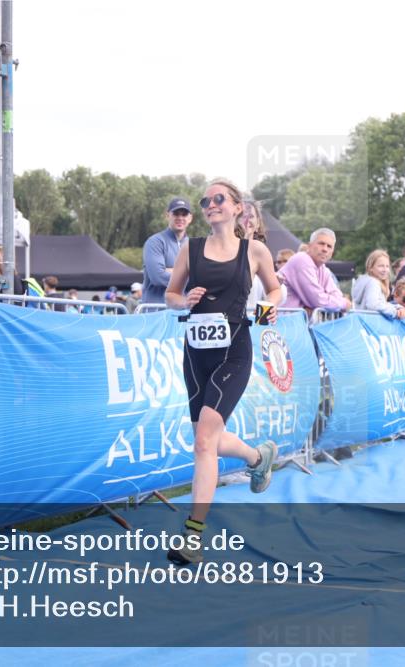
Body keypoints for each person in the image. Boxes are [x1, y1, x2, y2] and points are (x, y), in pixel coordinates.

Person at [164, 179, 282, 565]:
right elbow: (170, 295)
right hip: (196, 354)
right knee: (209, 440)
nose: (211, 204)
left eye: (219, 199)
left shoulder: (254, 250)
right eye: (206, 200)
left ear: (236, 208)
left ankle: (193, 537)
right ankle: (256, 458)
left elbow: (276, 290)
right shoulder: (190, 248)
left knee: (202, 441)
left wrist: (267, 306)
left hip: (234, 352)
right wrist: (184, 299)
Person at [278, 228, 350, 314]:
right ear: (310, 246)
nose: (325, 249)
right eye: (321, 244)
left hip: (296, 322)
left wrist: (316, 305)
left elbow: (336, 295)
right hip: (284, 322)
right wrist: (344, 303)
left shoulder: (323, 269)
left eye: (329, 246)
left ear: (332, 252)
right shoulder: (302, 260)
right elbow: (318, 300)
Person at [352, 250, 405, 335]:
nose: (385, 270)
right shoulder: (373, 282)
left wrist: (396, 307)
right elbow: (372, 304)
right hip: (368, 329)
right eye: (381, 266)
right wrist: (395, 311)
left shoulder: (367, 282)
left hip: (364, 328)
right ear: (370, 267)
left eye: (387, 266)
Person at [143, 197, 192, 304]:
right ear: (167, 215)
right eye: (176, 214)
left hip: (182, 313)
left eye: (184, 214)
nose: (180, 217)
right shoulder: (155, 242)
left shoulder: (193, 245)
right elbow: (157, 276)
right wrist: (188, 274)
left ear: (190, 218)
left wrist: (170, 270)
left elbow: (201, 277)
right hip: (155, 312)